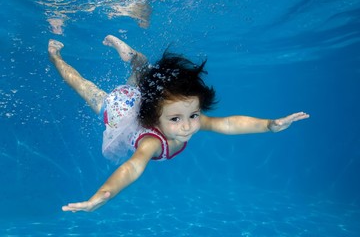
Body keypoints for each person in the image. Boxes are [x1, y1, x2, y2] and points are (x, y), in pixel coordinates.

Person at [48, 35, 309, 212]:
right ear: (155, 119)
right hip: (117, 110)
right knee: (83, 87)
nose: (188, 126)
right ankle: (56, 57)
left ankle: (131, 55)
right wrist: (101, 196)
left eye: (194, 115)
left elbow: (228, 123)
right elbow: (132, 168)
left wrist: (269, 125)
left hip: (142, 99)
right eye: (176, 119)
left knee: (141, 76)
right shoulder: (151, 141)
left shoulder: (186, 117)